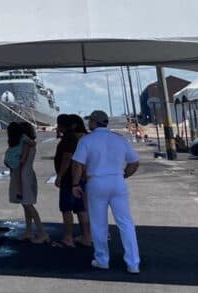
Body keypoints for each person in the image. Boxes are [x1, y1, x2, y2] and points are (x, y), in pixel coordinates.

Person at [71, 109, 141, 274]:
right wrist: (124, 175)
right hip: (117, 181)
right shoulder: (119, 139)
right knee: (125, 223)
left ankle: (102, 260)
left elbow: (77, 164)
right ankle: (133, 263)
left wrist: (75, 184)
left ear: (94, 122)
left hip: (96, 182)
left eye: (90, 121)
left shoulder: (86, 140)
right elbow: (134, 162)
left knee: (99, 223)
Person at [5, 121, 49, 244]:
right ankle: (29, 231)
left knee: (28, 205)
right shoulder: (29, 143)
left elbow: (21, 160)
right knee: (26, 204)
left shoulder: (25, 144)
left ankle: (42, 233)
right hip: (27, 173)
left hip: (22, 174)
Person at [53, 114, 92, 248]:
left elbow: (67, 157)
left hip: (69, 179)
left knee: (66, 209)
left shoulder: (69, 138)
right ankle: (87, 237)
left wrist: (60, 176)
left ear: (62, 125)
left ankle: (68, 238)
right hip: (78, 177)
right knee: (81, 208)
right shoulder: (74, 137)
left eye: (58, 124)